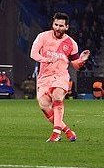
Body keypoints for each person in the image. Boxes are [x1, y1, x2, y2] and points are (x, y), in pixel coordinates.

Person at [30, 12, 89, 142]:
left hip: (60, 76)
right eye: (56, 24)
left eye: (61, 26)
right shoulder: (43, 37)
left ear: (67, 27)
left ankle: (56, 133)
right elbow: (33, 54)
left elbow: (75, 65)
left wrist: (82, 61)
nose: (57, 28)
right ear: (52, 24)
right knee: (44, 105)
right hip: (44, 77)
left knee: (57, 96)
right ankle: (68, 132)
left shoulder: (71, 43)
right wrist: (46, 59)